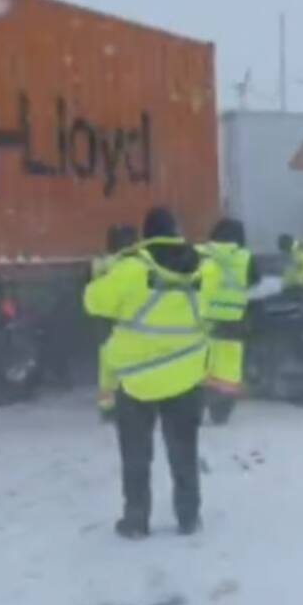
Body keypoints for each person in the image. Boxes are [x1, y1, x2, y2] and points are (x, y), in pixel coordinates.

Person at [84, 207, 208, 538]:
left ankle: (136, 520)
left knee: (136, 456)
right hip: (186, 375)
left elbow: (93, 302)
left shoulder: (131, 269)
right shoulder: (199, 268)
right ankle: (188, 516)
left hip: (138, 381)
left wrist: (106, 271)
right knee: (184, 452)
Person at [197, 218, 254, 425]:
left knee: (199, 367)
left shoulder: (201, 253)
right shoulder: (246, 258)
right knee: (228, 372)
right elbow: (254, 284)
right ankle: (221, 412)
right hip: (233, 324)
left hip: (203, 321)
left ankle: (195, 408)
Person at [92, 223, 140, 421]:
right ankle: (133, 402)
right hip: (129, 321)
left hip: (105, 322)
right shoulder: (135, 265)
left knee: (108, 368)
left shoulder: (100, 263)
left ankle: (107, 406)